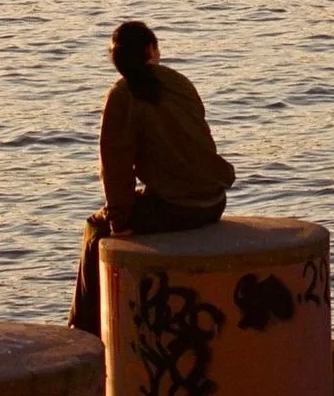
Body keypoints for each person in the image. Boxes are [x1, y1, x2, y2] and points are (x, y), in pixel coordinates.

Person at [68, 21, 236, 336]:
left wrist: (119, 222)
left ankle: (82, 331)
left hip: (178, 207)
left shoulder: (123, 94)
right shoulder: (179, 82)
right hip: (213, 200)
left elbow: (115, 166)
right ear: (150, 50)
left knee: (94, 229)